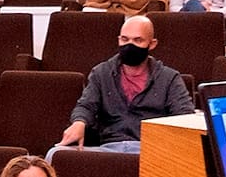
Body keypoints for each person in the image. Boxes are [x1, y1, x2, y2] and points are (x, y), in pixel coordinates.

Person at [53, 15, 195, 154]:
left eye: (137, 40)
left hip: (150, 151)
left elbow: (184, 116)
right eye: (125, 39)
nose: (129, 45)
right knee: (56, 153)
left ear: (152, 44)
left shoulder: (169, 78)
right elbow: (86, 105)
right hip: (107, 149)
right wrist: (79, 122)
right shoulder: (101, 72)